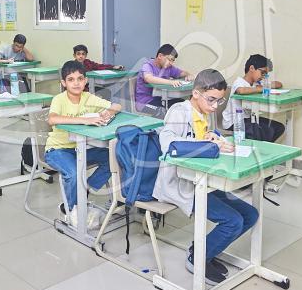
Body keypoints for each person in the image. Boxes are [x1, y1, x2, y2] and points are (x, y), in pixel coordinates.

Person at [154, 69, 256, 286]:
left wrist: (215, 137)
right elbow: (168, 144)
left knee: (250, 214)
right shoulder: (179, 112)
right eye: (211, 100)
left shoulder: (203, 112)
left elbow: (204, 138)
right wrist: (208, 144)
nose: (215, 106)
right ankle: (198, 258)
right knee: (233, 221)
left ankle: (207, 249)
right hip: (180, 184)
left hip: (202, 180)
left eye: (219, 101)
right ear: (196, 93)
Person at [44, 61, 121, 229]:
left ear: (85, 81)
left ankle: (85, 190)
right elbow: (52, 119)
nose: (76, 83)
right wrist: (85, 120)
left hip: (80, 149)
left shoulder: (88, 97)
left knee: (113, 157)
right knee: (73, 173)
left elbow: (117, 105)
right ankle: (71, 209)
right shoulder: (59, 99)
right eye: (71, 79)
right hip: (57, 150)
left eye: (80, 79)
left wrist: (108, 113)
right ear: (63, 83)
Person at [221, 54, 285, 142]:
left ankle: (263, 146)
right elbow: (241, 91)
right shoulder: (239, 82)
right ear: (251, 68)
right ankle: (260, 147)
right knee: (260, 130)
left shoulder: (256, 83)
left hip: (249, 119)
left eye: (266, 74)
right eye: (262, 72)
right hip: (233, 121)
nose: (263, 76)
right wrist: (261, 88)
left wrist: (266, 85)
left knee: (278, 127)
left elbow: (278, 84)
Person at [135, 44, 193, 117]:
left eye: (173, 61)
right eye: (169, 59)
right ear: (160, 56)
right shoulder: (147, 65)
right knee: (162, 111)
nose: (171, 63)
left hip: (161, 99)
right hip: (145, 102)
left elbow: (182, 73)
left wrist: (189, 75)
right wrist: (171, 82)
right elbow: (149, 78)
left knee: (184, 104)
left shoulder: (168, 68)